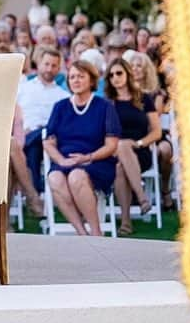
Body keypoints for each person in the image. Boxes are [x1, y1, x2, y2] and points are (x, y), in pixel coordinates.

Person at [44, 61, 121, 236]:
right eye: (72, 77)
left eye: (81, 76)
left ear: (92, 80)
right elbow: (48, 142)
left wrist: (87, 158)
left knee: (76, 176)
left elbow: (112, 145)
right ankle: (81, 233)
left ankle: (95, 232)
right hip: (66, 161)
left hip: (97, 161)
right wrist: (61, 160)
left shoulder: (105, 107)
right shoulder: (60, 107)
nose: (76, 80)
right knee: (54, 178)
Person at [104, 59, 160, 234]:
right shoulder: (108, 103)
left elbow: (157, 132)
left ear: (128, 74)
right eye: (111, 75)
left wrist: (138, 143)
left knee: (123, 154)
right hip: (113, 153)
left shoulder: (144, 99)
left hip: (140, 151)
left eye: (119, 73)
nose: (115, 78)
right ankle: (141, 199)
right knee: (120, 157)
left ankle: (126, 221)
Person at [16, 47, 69, 191]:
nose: (49, 69)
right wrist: (20, 132)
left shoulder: (63, 96)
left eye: (54, 65)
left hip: (51, 140)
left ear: (59, 68)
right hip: (24, 137)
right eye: (46, 64)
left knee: (42, 135)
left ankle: (34, 194)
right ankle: (37, 192)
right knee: (36, 144)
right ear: (38, 64)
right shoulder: (22, 89)